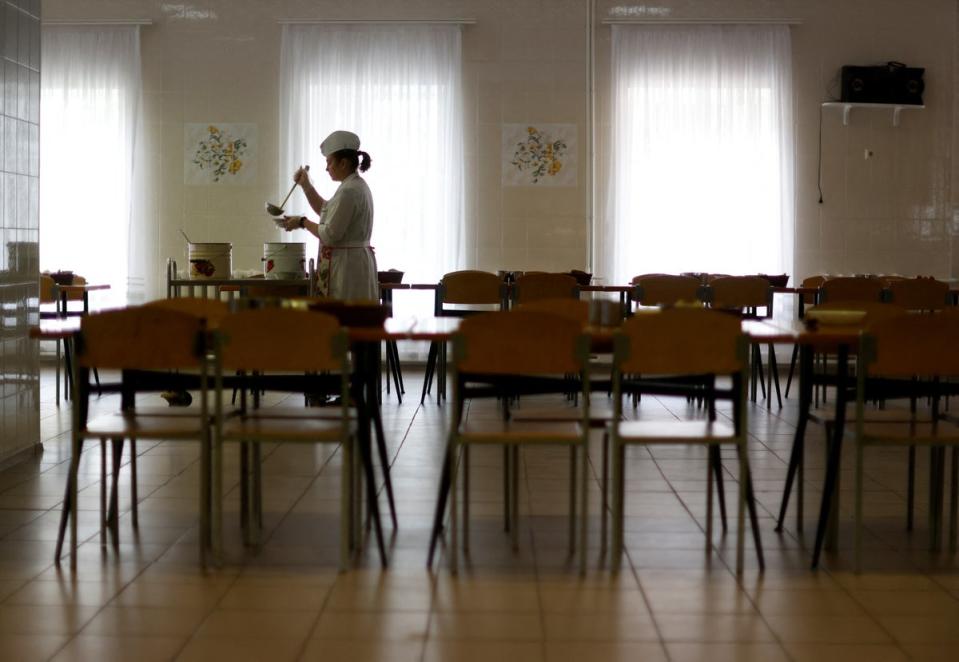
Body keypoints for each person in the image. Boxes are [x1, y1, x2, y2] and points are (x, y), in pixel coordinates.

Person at [280, 130, 378, 301]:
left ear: (343, 163)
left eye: (329, 162)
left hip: (347, 266)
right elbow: (326, 212)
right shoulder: (353, 186)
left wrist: (302, 222)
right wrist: (306, 185)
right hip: (353, 262)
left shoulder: (349, 191)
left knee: (345, 318)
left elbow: (330, 234)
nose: (326, 168)